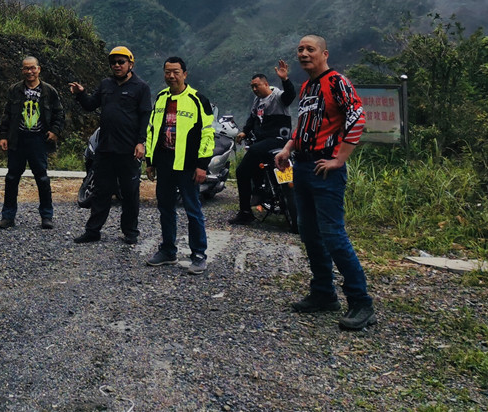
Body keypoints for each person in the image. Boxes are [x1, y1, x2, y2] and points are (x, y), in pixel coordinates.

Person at [274, 35, 376, 331]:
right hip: (303, 166)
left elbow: (357, 117)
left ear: (324, 53)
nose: (304, 54)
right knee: (309, 232)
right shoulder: (307, 87)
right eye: (300, 50)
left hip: (325, 169)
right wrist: (288, 149)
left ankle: (361, 302)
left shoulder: (336, 82)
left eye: (310, 49)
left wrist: (340, 158)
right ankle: (323, 293)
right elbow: (303, 125)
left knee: (333, 234)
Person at [68, 46, 153, 245]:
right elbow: (90, 104)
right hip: (105, 148)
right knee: (100, 192)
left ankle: (130, 232)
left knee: (130, 193)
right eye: (113, 62)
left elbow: (145, 116)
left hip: (128, 150)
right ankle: (93, 231)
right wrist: (80, 94)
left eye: (121, 62)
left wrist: (141, 142)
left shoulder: (141, 87)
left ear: (130, 64)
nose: (116, 65)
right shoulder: (105, 84)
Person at [145, 57, 214, 273]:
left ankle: (199, 254)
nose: (171, 76)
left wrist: (202, 165)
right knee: (165, 208)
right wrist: (150, 161)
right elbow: (152, 130)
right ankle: (168, 251)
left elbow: (207, 134)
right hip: (164, 163)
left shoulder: (197, 99)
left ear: (185, 74)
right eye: (167, 72)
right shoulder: (160, 98)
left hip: (187, 165)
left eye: (176, 72)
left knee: (193, 209)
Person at [0, 56, 66, 231]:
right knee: (12, 178)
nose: (30, 71)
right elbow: (6, 115)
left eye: (33, 68)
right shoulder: (14, 90)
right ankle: (8, 216)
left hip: (38, 140)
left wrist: (55, 131)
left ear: (39, 69)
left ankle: (47, 216)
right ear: (22, 71)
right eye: (26, 68)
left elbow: (59, 113)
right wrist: (3, 136)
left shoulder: (49, 91)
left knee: (42, 178)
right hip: (18, 140)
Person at [230, 60, 296, 224]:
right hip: (262, 143)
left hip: (277, 140)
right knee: (251, 160)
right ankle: (252, 202)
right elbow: (252, 119)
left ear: (266, 84)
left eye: (257, 86)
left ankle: (246, 212)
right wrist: (245, 131)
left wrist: (285, 79)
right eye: (252, 86)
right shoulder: (257, 101)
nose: (254, 89)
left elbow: (290, 96)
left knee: (243, 168)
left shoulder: (278, 96)